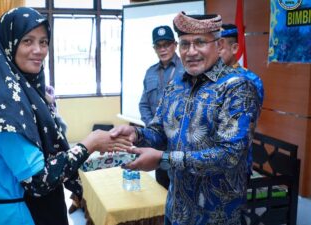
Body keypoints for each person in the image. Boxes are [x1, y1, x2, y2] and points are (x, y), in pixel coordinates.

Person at [0, 7, 131, 225]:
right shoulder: (3, 105)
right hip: (21, 215)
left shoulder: (21, 90)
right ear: (9, 43)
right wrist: (91, 143)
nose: (39, 50)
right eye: (28, 41)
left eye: (44, 42)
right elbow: (38, 180)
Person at [111, 12, 263, 225]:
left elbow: (229, 155)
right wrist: (136, 134)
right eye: (184, 44)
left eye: (200, 42)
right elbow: (159, 132)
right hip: (176, 208)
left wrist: (163, 159)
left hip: (216, 214)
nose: (191, 52)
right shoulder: (175, 86)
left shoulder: (237, 87)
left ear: (219, 45)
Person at [138, 25, 185, 190]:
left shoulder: (187, 70)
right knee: (161, 185)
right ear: (154, 48)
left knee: (181, 186)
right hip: (158, 143)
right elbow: (143, 104)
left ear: (175, 45)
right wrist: (152, 127)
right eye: (159, 45)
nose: (163, 49)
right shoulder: (150, 72)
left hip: (180, 143)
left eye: (167, 44)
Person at [220, 24, 264, 175]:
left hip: (235, 162)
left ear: (234, 48)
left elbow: (250, 124)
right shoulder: (207, 77)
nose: (215, 51)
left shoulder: (249, 80)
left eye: (220, 46)